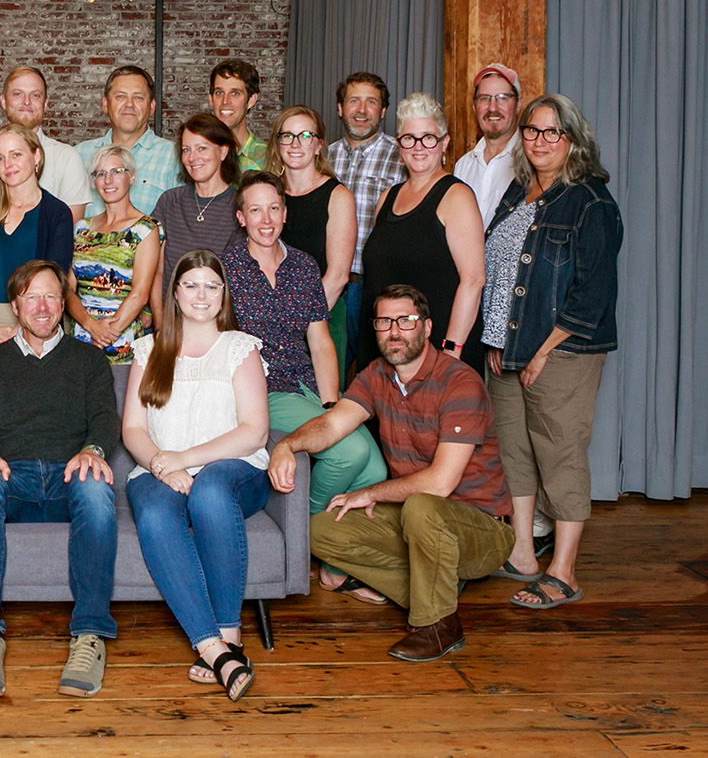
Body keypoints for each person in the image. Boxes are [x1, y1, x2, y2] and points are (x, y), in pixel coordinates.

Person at [269, 285, 514, 662]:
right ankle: (437, 582)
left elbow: (440, 483)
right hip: (414, 519)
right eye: (384, 322)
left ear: (428, 328)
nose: (394, 331)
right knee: (318, 530)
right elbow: (331, 425)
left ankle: (437, 625)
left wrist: (371, 493)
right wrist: (288, 445)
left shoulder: (460, 382)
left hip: (480, 527)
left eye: (406, 320)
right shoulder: (377, 375)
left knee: (421, 506)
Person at [482, 94, 622, 610]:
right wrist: (496, 338)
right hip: (506, 348)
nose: (540, 141)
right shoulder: (518, 192)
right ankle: (522, 553)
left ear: (573, 140)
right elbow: (498, 272)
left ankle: (562, 571)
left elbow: (593, 293)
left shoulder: (590, 202)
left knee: (559, 455)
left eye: (553, 132)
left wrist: (543, 350)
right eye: (532, 131)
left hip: (561, 353)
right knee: (515, 452)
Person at [222, 173, 388, 601]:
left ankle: (334, 567)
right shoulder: (228, 268)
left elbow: (320, 340)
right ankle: (300, 537)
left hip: (307, 387)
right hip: (262, 389)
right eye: (255, 209)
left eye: (274, 208)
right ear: (241, 217)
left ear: (285, 212)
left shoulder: (302, 265)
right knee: (349, 453)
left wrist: (333, 403)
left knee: (375, 470)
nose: (266, 218)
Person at [0, 260, 120, 699]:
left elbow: (106, 418)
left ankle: (89, 633)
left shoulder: (89, 360)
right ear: (16, 305)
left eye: (51, 296)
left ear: (63, 304)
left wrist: (93, 451)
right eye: (32, 297)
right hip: (15, 476)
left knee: (95, 485)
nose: (43, 306)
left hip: (72, 472)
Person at [121, 249, 278, 700]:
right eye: (191, 284)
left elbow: (254, 431)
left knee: (209, 491)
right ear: (174, 292)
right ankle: (216, 650)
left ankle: (231, 634)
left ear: (224, 293)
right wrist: (159, 464)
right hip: (161, 466)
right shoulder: (149, 350)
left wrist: (185, 457)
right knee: (151, 509)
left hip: (234, 469)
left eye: (212, 284)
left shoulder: (239, 347)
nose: (201, 294)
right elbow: (132, 428)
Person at [356, 93, 486, 374]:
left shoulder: (456, 196)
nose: (418, 147)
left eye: (428, 137)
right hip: (385, 351)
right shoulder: (387, 198)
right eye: (409, 138)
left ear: (444, 143)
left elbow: (473, 281)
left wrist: (451, 353)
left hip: (437, 353)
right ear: (398, 145)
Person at [0, 123, 74, 359]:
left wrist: (20, 329)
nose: (7, 164)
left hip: (38, 321)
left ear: (36, 156)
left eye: (16, 155)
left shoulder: (57, 213)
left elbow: (55, 279)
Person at [265, 105, 356, 378]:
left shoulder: (338, 196)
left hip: (321, 318)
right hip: (268, 320)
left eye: (305, 136)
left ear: (318, 145)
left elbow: (338, 276)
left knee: (321, 410)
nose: (295, 144)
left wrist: (297, 327)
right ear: (278, 144)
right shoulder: (268, 193)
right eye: (287, 136)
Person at [328, 72, 407, 355]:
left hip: (375, 287)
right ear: (340, 108)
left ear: (383, 111)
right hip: (328, 288)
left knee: (376, 377)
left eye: (371, 102)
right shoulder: (321, 158)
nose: (361, 110)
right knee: (327, 375)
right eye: (354, 101)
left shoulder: (403, 156)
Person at [66, 145, 161, 364]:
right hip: (80, 342)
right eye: (101, 173)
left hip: (123, 347)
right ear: (94, 181)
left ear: (132, 177)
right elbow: (68, 288)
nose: (108, 180)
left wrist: (108, 334)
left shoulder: (146, 229)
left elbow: (140, 293)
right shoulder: (81, 228)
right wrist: (90, 327)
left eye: (116, 171)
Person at [0, 65, 92, 220]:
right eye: (18, 94)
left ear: (45, 103)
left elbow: (66, 233)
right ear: (3, 100)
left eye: (35, 95)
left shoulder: (67, 158)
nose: (27, 102)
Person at [151, 113, 243, 321]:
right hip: (170, 324)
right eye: (186, 150)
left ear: (223, 151)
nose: (192, 158)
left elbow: (238, 283)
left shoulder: (239, 206)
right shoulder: (169, 202)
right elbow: (156, 272)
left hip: (219, 327)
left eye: (202, 148)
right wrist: (160, 325)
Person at [75, 65, 179, 217]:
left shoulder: (174, 157)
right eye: (120, 97)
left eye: (138, 97)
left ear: (152, 106)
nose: (129, 104)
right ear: (105, 104)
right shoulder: (79, 155)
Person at [455, 63, 523, 228]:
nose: (493, 108)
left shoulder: (530, 162)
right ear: (474, 106)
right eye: (484, 98)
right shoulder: (463, 166)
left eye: (502, 98)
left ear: (518, 104)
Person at [208, 60, 267, 172]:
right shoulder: (199, 156)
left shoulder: (267, 158)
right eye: (219, 93)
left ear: (251, 100)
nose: (225, 101)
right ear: (211, 99)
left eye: (235, 93)